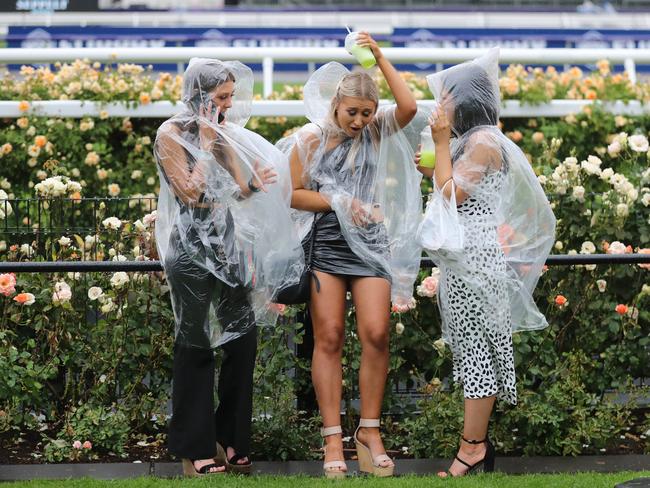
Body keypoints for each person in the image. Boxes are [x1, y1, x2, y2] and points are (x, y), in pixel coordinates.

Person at [278, 32, 423, 478]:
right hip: (328, 243)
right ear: (336, 105)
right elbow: (292, 194)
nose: (360, 120)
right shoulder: (313, 138)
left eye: (366, 112)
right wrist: (342, 203)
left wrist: (378, 56)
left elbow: (410, 108)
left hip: (371, 242)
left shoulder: (377, 129)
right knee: (330, 337)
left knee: (377, 332)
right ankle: (331, 439)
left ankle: (369, 431)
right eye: (352, 112)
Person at [154, 58, 302, 477]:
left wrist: (256, 183)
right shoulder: (171, 134)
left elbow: (236, 187)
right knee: (195, 343)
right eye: (221, 97)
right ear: (200, 96)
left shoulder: (218, 132)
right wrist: (202, 140)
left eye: (230, 97)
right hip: (188, 249)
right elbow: (190, 191)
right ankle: (195, 447)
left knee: (243, 339)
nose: (228, 105)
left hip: (225, 244)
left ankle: (232, 436)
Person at [416, 48, 556, 477]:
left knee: (477, 355)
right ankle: (474, 447)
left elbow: (450, 197)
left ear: (467, 100)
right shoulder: (475, 141)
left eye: (447, 99)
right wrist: (436, 154)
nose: (441, 108)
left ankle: (472, 450)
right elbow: (447, 185)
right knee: (472, 351)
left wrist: (440, 145)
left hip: (474, 262)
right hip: (466, 261)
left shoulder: (481, 142)